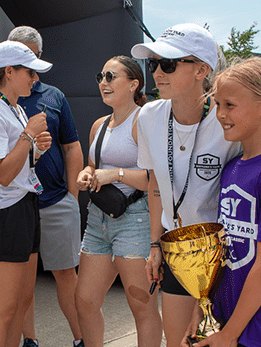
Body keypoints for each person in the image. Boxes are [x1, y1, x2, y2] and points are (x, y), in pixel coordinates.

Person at [130, 23, 261, 347]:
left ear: (201, 70)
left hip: (227, 266)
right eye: (153, 63)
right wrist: (155, 245)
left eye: (168, 63)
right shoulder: (149, 117)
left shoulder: (232, 126)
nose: (158, 72)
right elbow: (157, 183)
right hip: (183, 254)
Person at [188, 56, 261, 347]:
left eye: (230, 105)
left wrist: (230, 334)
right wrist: (201, 311)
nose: (220, 114)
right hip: (227, 323)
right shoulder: (232, 168)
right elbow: (222, 251)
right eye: (217, 104)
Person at [0, 40, 53, 347]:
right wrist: (29, 135)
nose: (35, 79)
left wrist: (36, 151)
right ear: (9, 71)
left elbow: (15, 167)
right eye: (30, 72)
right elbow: (2, 175)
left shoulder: (13, 108)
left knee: (21, 301)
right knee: (2, 310)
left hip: (22, 205)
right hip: (3, 212)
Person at [74, 55, 160, 347]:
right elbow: (92, 164)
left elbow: (155, 180)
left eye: (111, 76)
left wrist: (116, 174)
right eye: (101, 76)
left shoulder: (143, 122)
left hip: (135, 219)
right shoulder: (99, 125)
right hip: (98, 219)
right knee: (85, 300)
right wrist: (86, 174)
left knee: (142, 306)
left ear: (134, 84)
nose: (103, 82)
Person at [8, 26, 85, 347]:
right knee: (22, 284)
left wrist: (72, 196)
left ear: (39, 56)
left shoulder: (54, 96)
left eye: (32, 55)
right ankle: (30, 340)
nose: (27, 62)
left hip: (55, 202)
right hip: (16, 205)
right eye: (19, 55)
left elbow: (72, 146)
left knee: (67, 276)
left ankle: (81, 339)